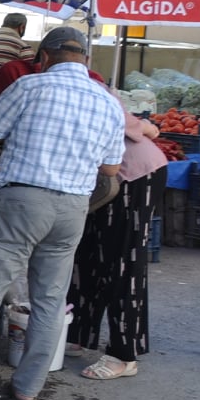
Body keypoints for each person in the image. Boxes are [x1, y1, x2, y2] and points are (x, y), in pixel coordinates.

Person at [0, 26, 126, 400]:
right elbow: (111, 169)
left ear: (45, 57)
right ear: (86, 59)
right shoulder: (107, 101)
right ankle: (28, 388)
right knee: (50, 299)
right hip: (72, 208)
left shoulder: (30, 86)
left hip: (23, 200)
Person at [65, 104, 168, 379]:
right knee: (86, 252)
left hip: (134, 174)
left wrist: (147, 127)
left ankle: (124, 354)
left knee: (123, 259)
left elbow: (133, 125)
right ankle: (76, 333)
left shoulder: (92, 91)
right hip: (101, 179)